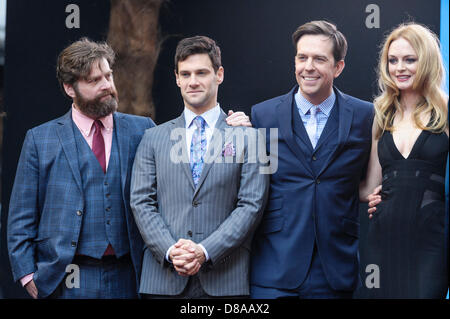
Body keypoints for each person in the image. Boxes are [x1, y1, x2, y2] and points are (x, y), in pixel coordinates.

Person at [7, 38, 156, 299]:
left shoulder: (142, 130)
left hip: (130, 277)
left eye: (108, 76)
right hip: (65, 278)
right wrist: (27, 275)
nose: (107, 85)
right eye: (93, 80)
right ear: (70, 88)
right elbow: (21, 215)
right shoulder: (40, 139)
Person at [130, 35, 269, 298]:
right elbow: (141, 201)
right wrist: (172, 251)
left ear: (219, 74)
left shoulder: (251, 138)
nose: (193, 81)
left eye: (202, 73)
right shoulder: (152, 138)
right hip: (163, 278)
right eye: (186, 74)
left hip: (225, 279)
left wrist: (204, 251)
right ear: (177, 78)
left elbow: (252, 205)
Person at [249, 20, 373, 298]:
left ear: (338, 67)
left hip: (336, 270)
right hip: (274, 269)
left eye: (319, 59)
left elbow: (375, 178)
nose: (308, 67)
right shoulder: (262, 116)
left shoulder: (366, 116)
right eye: (302, 57)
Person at [359, 23, 448, 298]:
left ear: (428, 61)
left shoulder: (446, 111)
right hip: (383, 237)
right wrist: (371, 196)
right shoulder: (381, 115)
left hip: (431, 240)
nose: (400, 68)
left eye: (410, 59)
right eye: (393, 60)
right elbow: (369, 187)